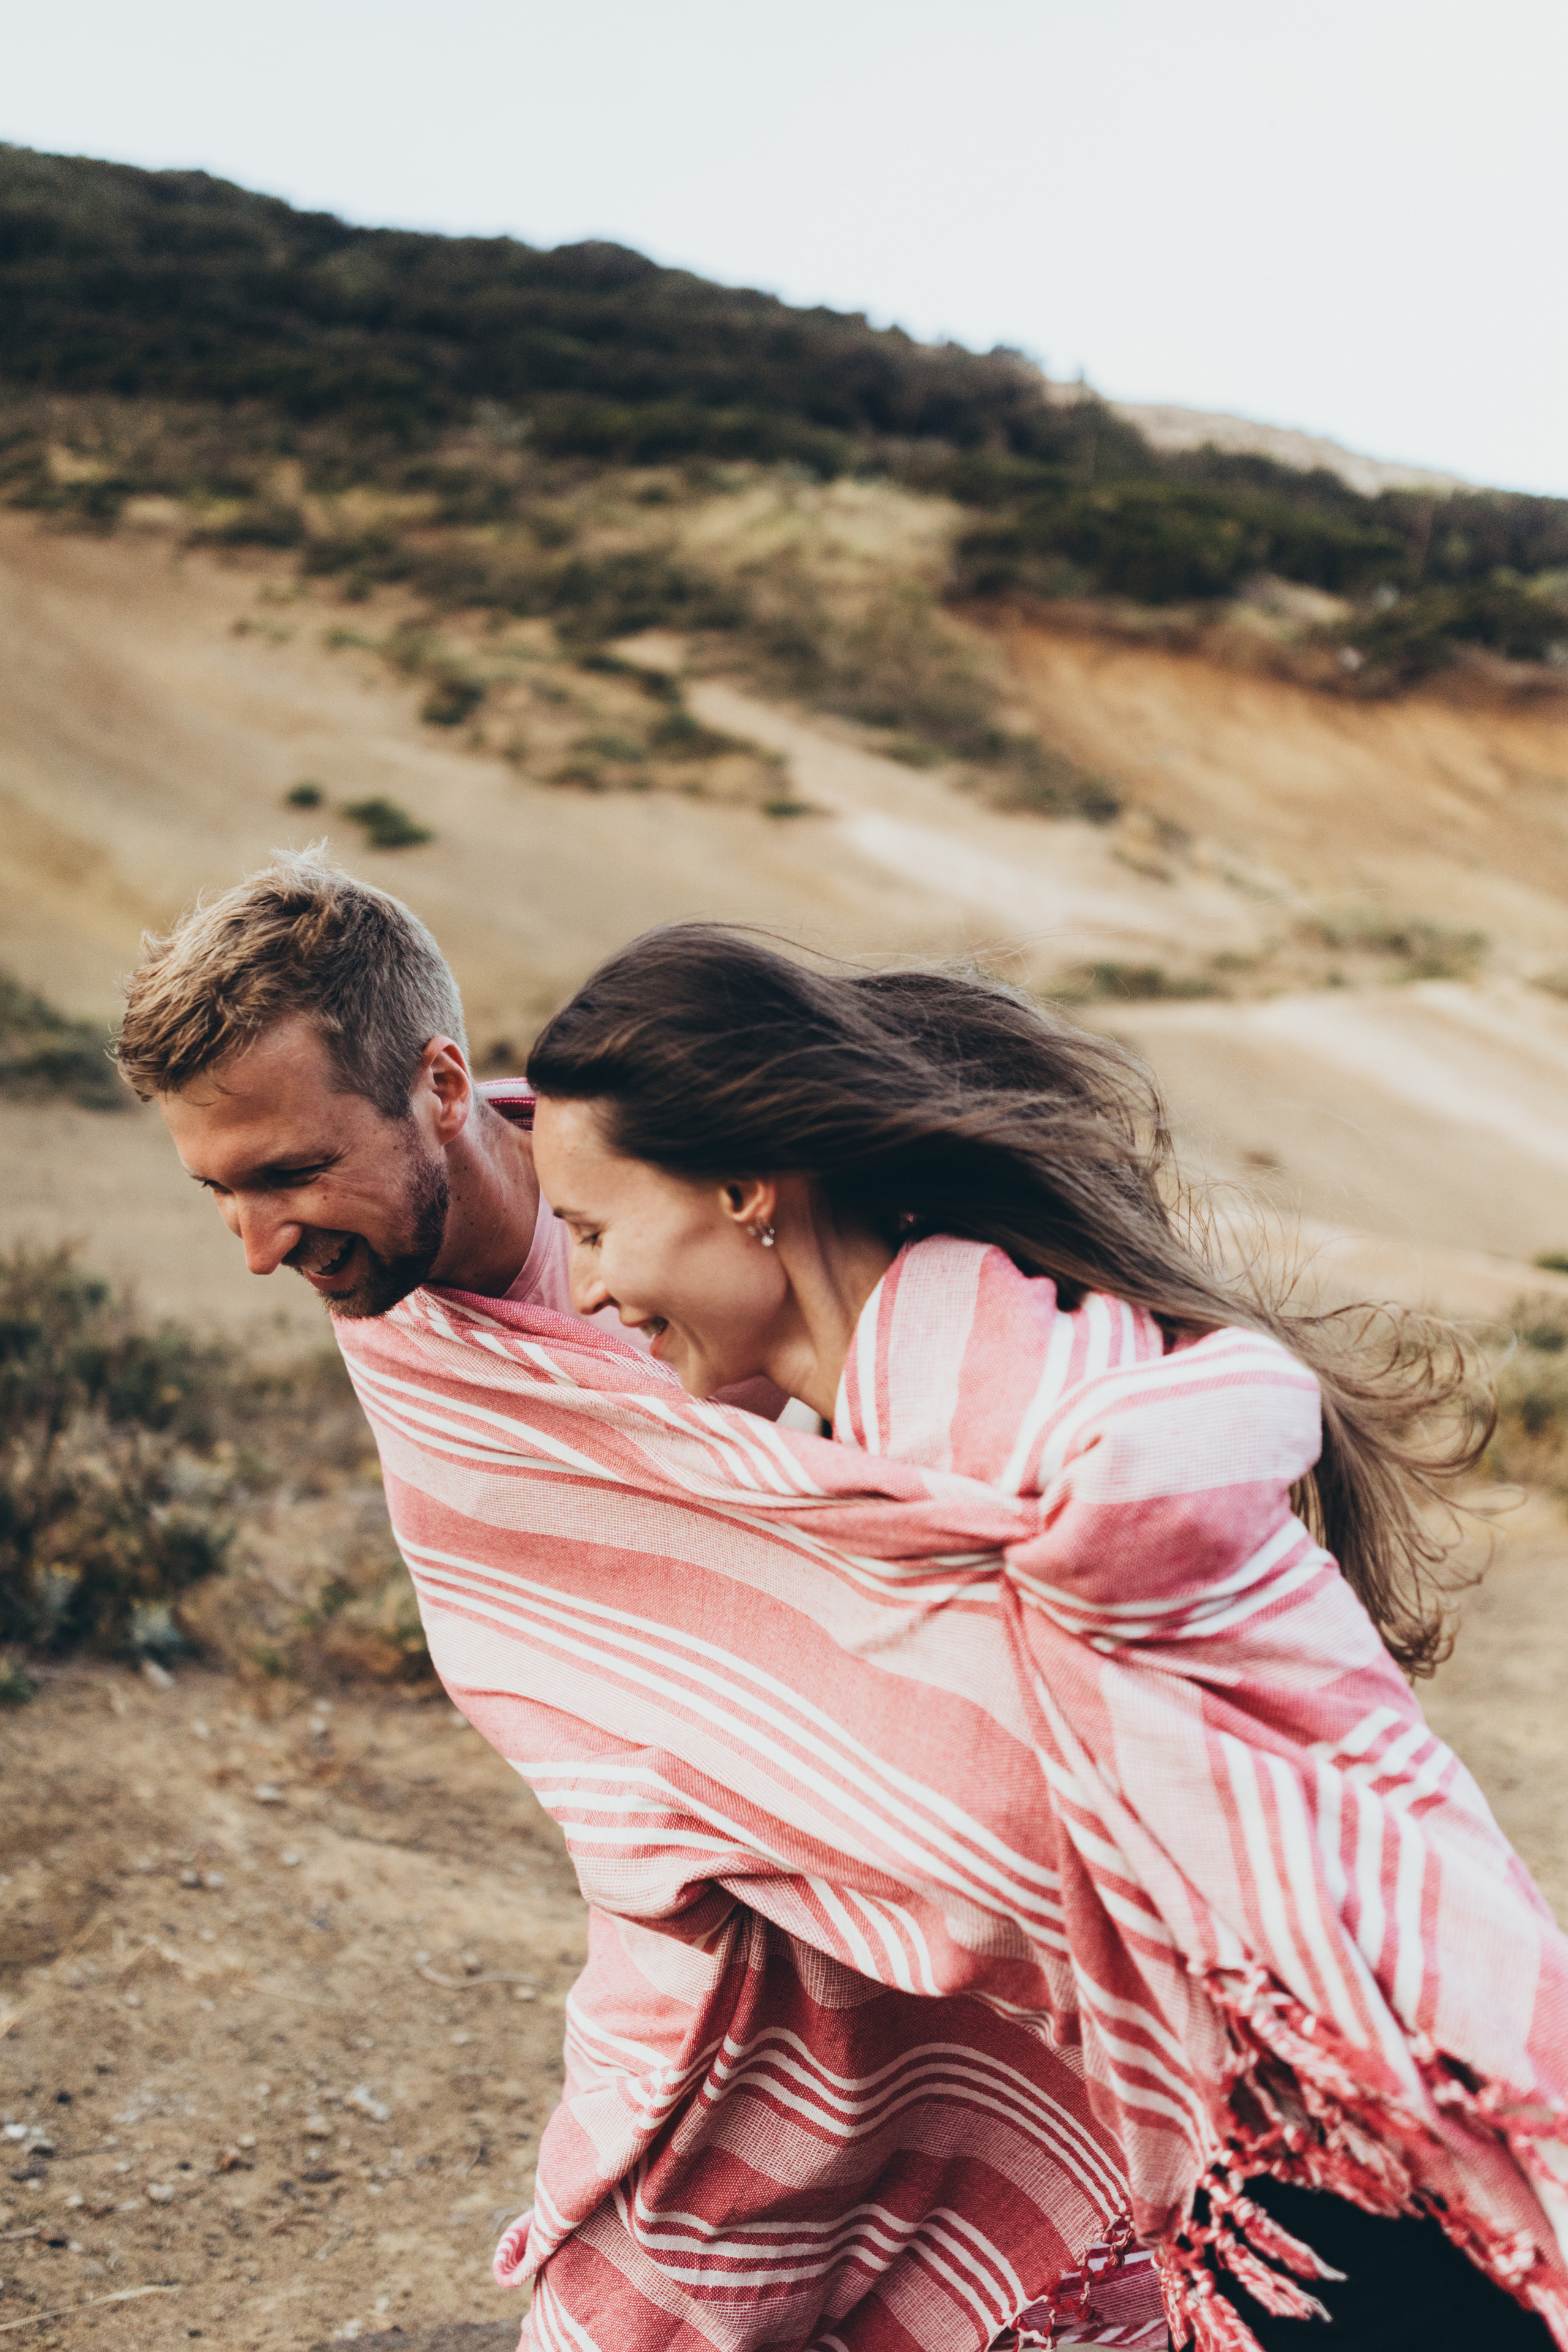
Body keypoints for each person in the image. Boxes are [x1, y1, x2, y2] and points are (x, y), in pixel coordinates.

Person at [118, 861, 1165, 2352]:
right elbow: (599, 1649)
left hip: (958, 1921)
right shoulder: (409, 1336)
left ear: (440, 1087)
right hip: (720, 1984)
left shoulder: (680, 1162)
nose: (259, 1245)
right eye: (218, 1192)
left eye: (289, 1173)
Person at [510, 922, 1568, 2352]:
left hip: (1376, 2107)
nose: (585, 1291)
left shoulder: (1053, 1436)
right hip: (1253, 2145)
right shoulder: (890, 1471)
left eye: (591, 1231)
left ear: (745, 1192)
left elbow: (1180, 1465)